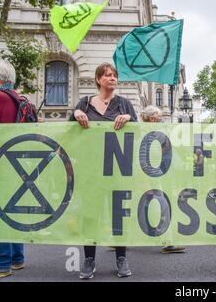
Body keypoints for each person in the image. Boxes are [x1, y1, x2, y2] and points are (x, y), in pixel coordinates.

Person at [70, 63, 137, 279]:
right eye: (107, 75)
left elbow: (140, 131)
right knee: (90, 215)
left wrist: (129, 119)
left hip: (117, 170)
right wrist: (76, 112)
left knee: (118, 215)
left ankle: (121, 257)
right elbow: (70, 129)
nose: (112, 78)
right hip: (91, 170)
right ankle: (89, 259)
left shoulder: (124, 104)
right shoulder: (85, 103)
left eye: (114, 75)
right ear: (98, 79)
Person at [140, 105, 186, 254]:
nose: (160, 121)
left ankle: (117, 239)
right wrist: (146, 182)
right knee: (162, 207)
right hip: (150, 176)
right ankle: (168, 242)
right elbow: (141, 159)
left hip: (154, 175)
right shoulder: (144, 134)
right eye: (159, 118)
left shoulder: (152, 133)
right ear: (152, 118)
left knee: (140, 208)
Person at [0, 59, 25, 279]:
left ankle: (2, 263)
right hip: (15, 162)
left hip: (1, 161)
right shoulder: (18, 98)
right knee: (10, 211)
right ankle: (17, 258)